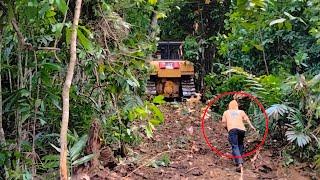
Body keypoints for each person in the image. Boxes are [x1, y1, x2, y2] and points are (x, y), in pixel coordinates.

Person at [221, 100, 256, 172]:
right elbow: (246, 119)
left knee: (235, 145)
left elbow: (224, 123)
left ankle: (239, 163)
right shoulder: (241, 112)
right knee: (240, 144)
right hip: (242, 130)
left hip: (232, 129)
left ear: (229, 106)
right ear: (237, 106)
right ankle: (240, 162)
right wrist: (251, 126)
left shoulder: (226, 112)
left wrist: (227, 129)